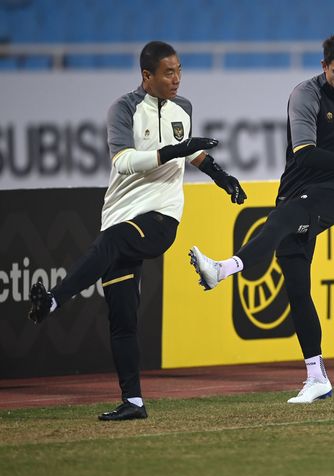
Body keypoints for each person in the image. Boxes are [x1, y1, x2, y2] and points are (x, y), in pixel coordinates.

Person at [27, 41, 246, 420]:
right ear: (147, 75)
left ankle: (54, 301)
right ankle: (134, 402)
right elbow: (124, 161)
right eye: (168, 72)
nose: (176, 79)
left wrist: (222, 177)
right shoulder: (124, 108)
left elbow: (192, 153)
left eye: (178, 70)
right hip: (120, 215)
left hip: (161, 218)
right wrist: (177, 150)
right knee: (123, 318)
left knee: (110, 244)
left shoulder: (184, 109)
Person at [188, 32, 334, 404]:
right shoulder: (304, 95)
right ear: (324, 66)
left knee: (279, 223)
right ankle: (317, 376)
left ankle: (223, 269)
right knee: (297, 290)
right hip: (296, 189)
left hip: (330, 195)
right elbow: (306, 154)